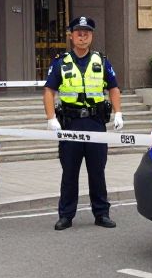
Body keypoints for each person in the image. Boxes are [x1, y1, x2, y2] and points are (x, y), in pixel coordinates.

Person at [43, 15, 122, 231]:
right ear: (71, 35)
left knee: (97, 171)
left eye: (86, 32)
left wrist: (118, 113)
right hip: (71, 123)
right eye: (78, 32)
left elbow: (113, 88)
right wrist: (51, 118)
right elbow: (49, 91)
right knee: (70, 172)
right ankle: (66, 215)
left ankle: (102, 213)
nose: (82, 36)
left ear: (91, 36)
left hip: (96, 123)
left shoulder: (102, 61)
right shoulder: (61, 62)